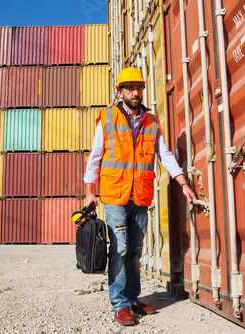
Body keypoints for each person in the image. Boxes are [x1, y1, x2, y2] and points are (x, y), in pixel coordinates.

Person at [84, 67, 196, 326]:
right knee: (120, 249)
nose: (136, 92)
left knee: (134, 250)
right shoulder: (108, 118)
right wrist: (90, 192)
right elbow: (95, 158)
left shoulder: (152, 121)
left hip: (141, 195)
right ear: (120, 91)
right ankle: (119, 304)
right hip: (115, 196)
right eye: (130, 88)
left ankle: (133, 298)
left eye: (139, 88)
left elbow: (165, 155)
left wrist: (182, 183)